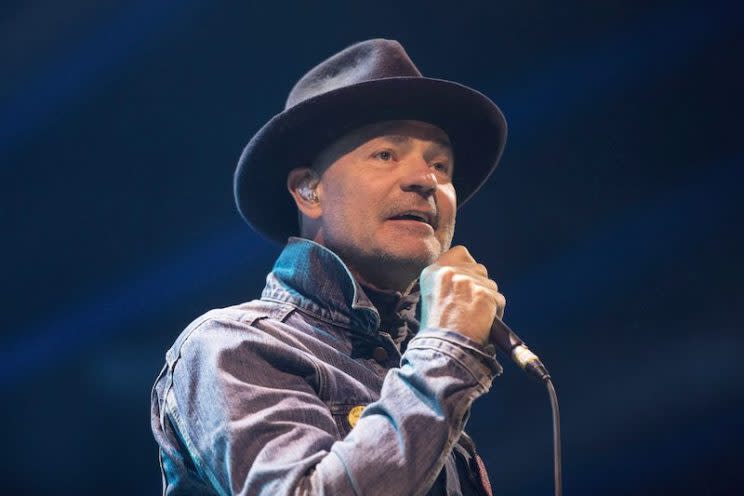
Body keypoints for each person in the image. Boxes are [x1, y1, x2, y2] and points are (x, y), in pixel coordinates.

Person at [150, 38, 509, 495]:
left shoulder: (416, 369)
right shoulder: (235, 344)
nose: (426, 180)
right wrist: (449, 352)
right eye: (386, 154)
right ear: (308, 191)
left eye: (441, 164)